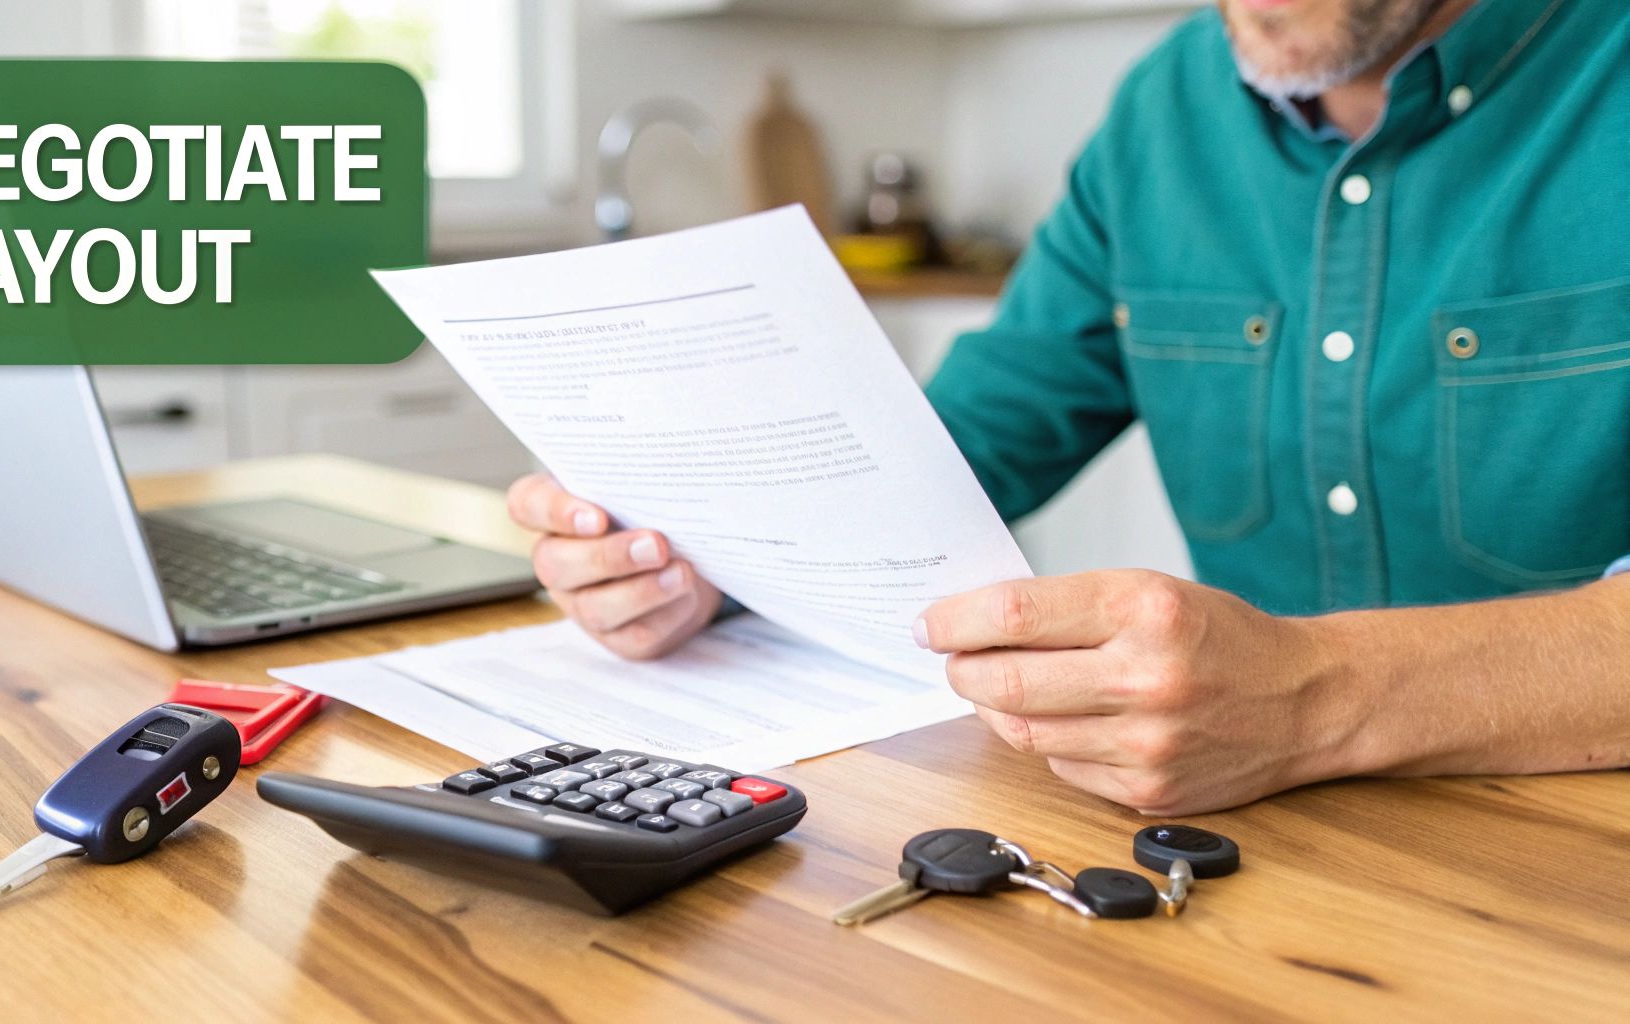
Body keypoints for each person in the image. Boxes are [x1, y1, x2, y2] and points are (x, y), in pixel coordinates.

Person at [506, 0, 1630, 814]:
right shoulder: (1161, 111)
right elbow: (968, 438)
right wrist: (708, 553)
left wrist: (1310, 698)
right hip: (1264, 849)